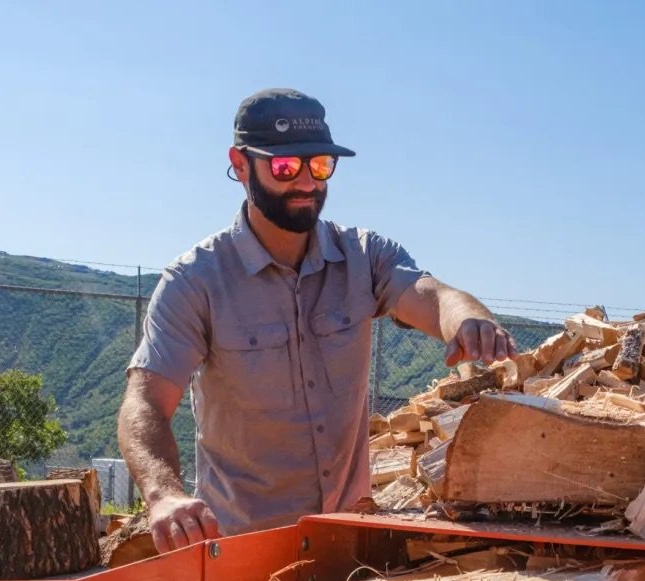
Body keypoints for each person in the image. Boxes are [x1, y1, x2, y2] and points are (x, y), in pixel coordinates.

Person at [120, 87, 517, 551]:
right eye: (285, 167)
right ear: (241, 164)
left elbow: (433, 295)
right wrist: (163, 495)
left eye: (321, 165)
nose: (307, 182)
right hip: (242, 547)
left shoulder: (365, 256)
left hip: (348, 542)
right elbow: (145, 402)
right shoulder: (196, 280)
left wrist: (468, 318)